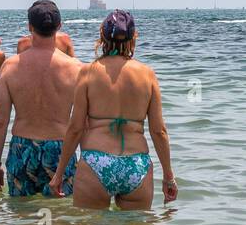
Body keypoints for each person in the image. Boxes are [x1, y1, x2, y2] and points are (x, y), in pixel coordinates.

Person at [49, 11, 177, 209]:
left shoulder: (88, 72)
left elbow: (75, 128)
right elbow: (158, 131)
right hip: (136, 165)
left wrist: (59, 174)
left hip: (96, 161)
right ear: (133, 37)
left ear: (102, 37)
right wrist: (168, 177)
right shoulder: (147, 75)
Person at [0, 0, 83, 196]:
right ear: (59, 26)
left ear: (30, 27)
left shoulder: (10, 66)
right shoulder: (76, 68)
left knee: (21, 217)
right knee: (59, 216)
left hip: (22, 148)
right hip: (60, 151)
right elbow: (84, 122)